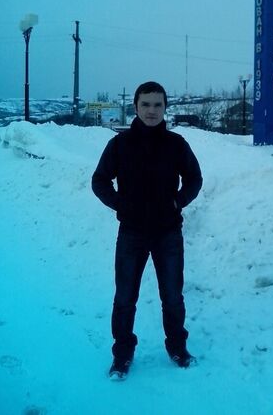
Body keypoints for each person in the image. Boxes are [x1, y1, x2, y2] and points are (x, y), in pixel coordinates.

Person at [91, 81, 203, 379]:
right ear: (136, 107)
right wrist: (120, 204)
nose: (151, 110)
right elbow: (99, 180)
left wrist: (178, 201)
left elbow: (194, 179)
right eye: (145, 104)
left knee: (173, 296)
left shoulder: (176, 144)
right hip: (132, 233)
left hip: (168, 232)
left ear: (165, 107)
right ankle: (122, 354)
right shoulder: (120, 144)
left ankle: (177, 347)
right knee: (125, 297)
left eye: (157, 104)